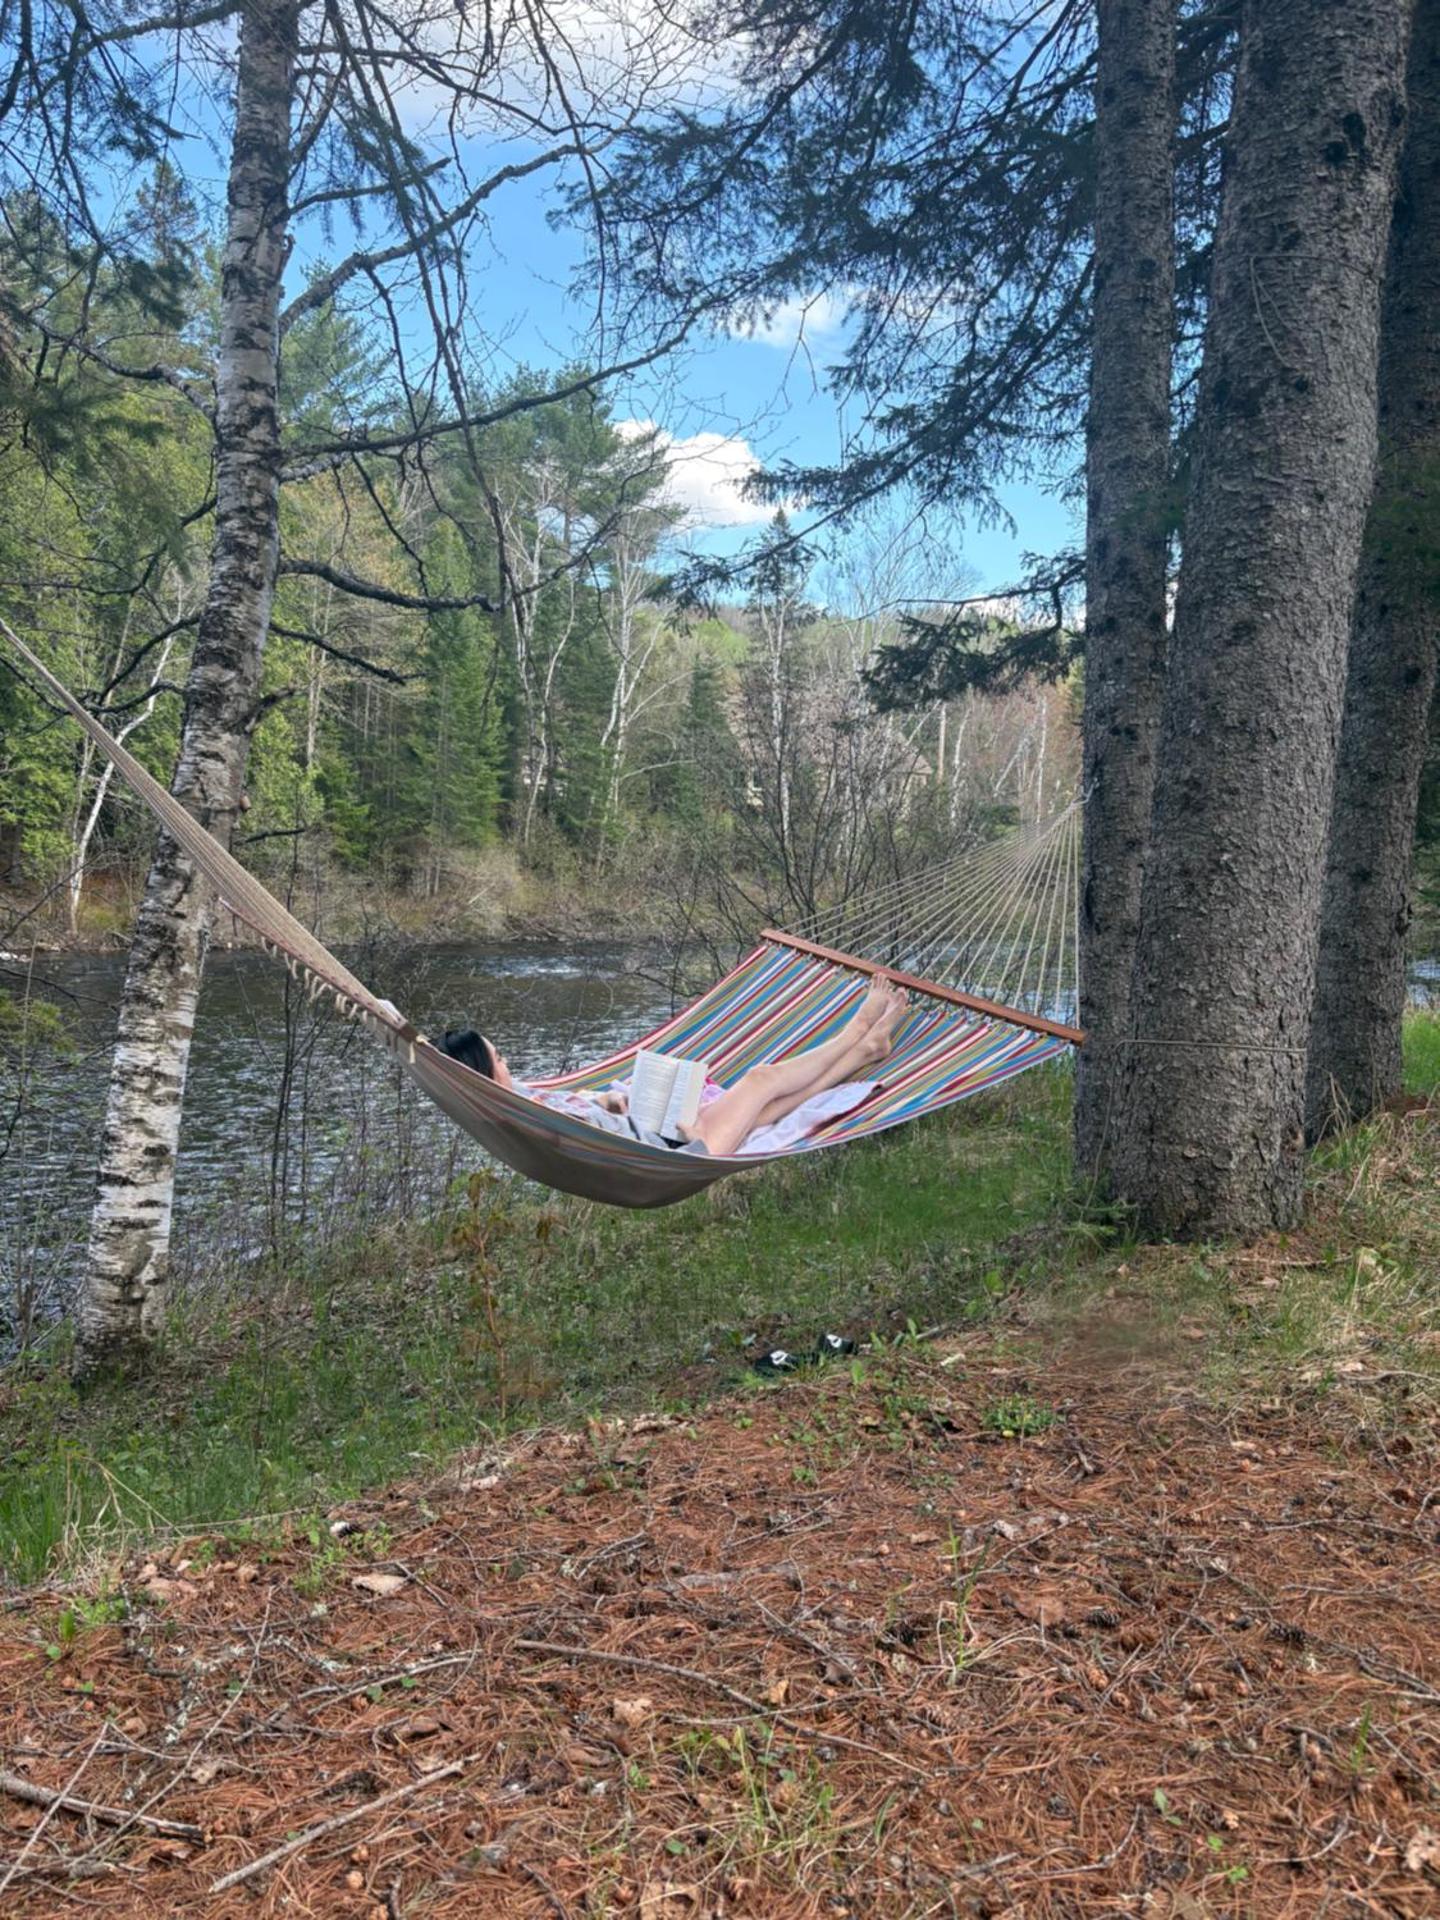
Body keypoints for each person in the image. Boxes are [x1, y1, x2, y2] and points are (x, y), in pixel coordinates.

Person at [432, 979, 905, 1156]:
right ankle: (856, 1030)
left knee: (766, 1111)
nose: (508, 1062)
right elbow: (579, 1140)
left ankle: (865, 1051)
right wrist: (686, 1136)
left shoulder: (522, 1099)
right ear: (483, 1074)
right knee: (761, 1080)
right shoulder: (523, 1114)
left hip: (657, 1129)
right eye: (499, 1058)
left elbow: (585, 1118)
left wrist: (608, 1101)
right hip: (680, 1148)